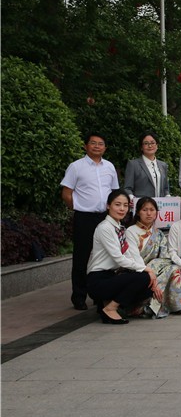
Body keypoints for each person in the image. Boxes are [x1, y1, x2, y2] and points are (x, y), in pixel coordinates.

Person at [61, 132, 120, 310]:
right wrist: (78, 207)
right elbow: (66, 193)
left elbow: (114, 193)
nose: (96, 146)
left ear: (105, 148)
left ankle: (100, 294)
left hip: (105, 217)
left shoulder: (109, 166)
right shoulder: (76, 167)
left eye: (100, 143)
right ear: (86, 146)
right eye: (93, 143)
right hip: (84, 217)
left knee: (105, 256)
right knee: (82, 256)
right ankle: (79, 296)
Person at [86, 189, 159, 324]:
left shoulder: (119, 228)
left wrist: (148, 272)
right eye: (117, 204)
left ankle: (107, 304)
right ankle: (111, 308)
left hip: (111, 276)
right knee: (143, 278)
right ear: (108, 206)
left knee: (147, 285)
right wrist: (146, 270)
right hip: (97, 279)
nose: (122, 209)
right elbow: (119, 258)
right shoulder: (104, 228)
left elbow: (129, 254)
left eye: (125, 205)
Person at [126, 197, 181, 317]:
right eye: (145, 210)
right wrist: (150, 272)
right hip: (137, 270)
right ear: (138, 212)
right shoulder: (131, 231)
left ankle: (174, 305)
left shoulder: (158, 233)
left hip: (156, 271)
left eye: (152, 210)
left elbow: (165, 258)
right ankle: (148, 305)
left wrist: (155, 269)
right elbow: (134, 259)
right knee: (167, 268)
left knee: (174, 268)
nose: (149, 213)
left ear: (156, 212)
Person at [124, 131, 170, 200]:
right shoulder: (133, 164)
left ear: (157, 146)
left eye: (152, 143)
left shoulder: (163, 165)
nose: (150, 146)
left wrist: (168, 198)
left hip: (160, 205)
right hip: (141, 205)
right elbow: (127, 188)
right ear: (141, 147)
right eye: (146, 143)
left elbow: (166, 188)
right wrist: (132, 199)